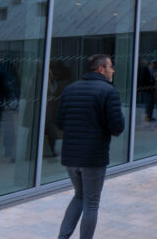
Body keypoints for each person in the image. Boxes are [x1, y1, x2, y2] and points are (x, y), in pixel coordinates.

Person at [56, 54, 125, 239]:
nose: (113, 71)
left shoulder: (70, 89)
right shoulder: (109, 91)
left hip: (71, 156)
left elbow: (60, 122)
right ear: (101, 69)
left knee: (79, 195)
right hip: (93, 157)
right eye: (111, 67)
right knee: (91, 203)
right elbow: (117, 127)